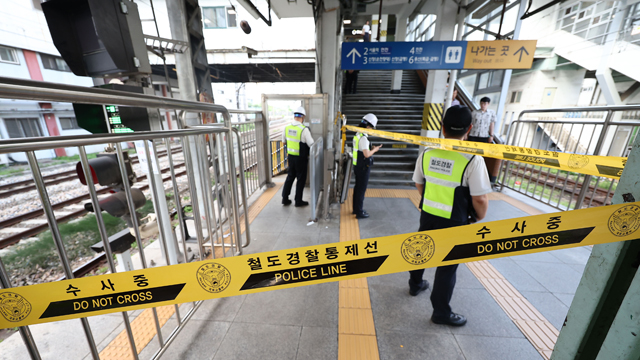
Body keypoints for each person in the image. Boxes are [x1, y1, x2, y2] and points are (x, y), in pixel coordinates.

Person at [408, 105, 491, 326]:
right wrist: (479, 217)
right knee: (447, 265)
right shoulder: (473, 159)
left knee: (421, 248)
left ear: (442, 127)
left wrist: (431, 199)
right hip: (455, 219)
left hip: (428, 213)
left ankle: (415, 284)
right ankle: (441, 313)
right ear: (470, 128)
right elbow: (480, 199)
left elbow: (419, 183)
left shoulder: (427, 152)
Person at [282, 106, 314, 207]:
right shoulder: (304, 129)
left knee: (290, 177)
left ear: (294, 116)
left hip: (291, 157)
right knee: (301, 179)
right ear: (303, 117)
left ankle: (285, 198)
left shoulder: (286, 128)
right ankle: (298, 201)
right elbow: (311, 144)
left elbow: (284, 142)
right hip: (301, 158)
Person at [352, 114, 382, 219]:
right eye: (372, 127)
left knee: (357, 188)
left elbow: (362, 150)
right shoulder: (363, 138)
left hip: (357, 165)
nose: (372, 130)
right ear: (368, 126)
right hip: (363, 167)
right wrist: (375, 150)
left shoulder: (357, 134)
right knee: (361, 190)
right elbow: (366, 154)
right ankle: (359, 212)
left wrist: (371, 148)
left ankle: (355, 209)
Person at [469, 96, 497, 183]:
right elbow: (470, 124)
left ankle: (478, 172)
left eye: (485, 103)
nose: (483, 105)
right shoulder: (474, 112)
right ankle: (469, 169)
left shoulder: (491, 113)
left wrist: (491, 135)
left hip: (484, 136)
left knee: (480, 155)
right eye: (481, 103)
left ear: (488, 104)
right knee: (471, 153)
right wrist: (466, 134)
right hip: (473, 135)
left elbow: (491, 124)